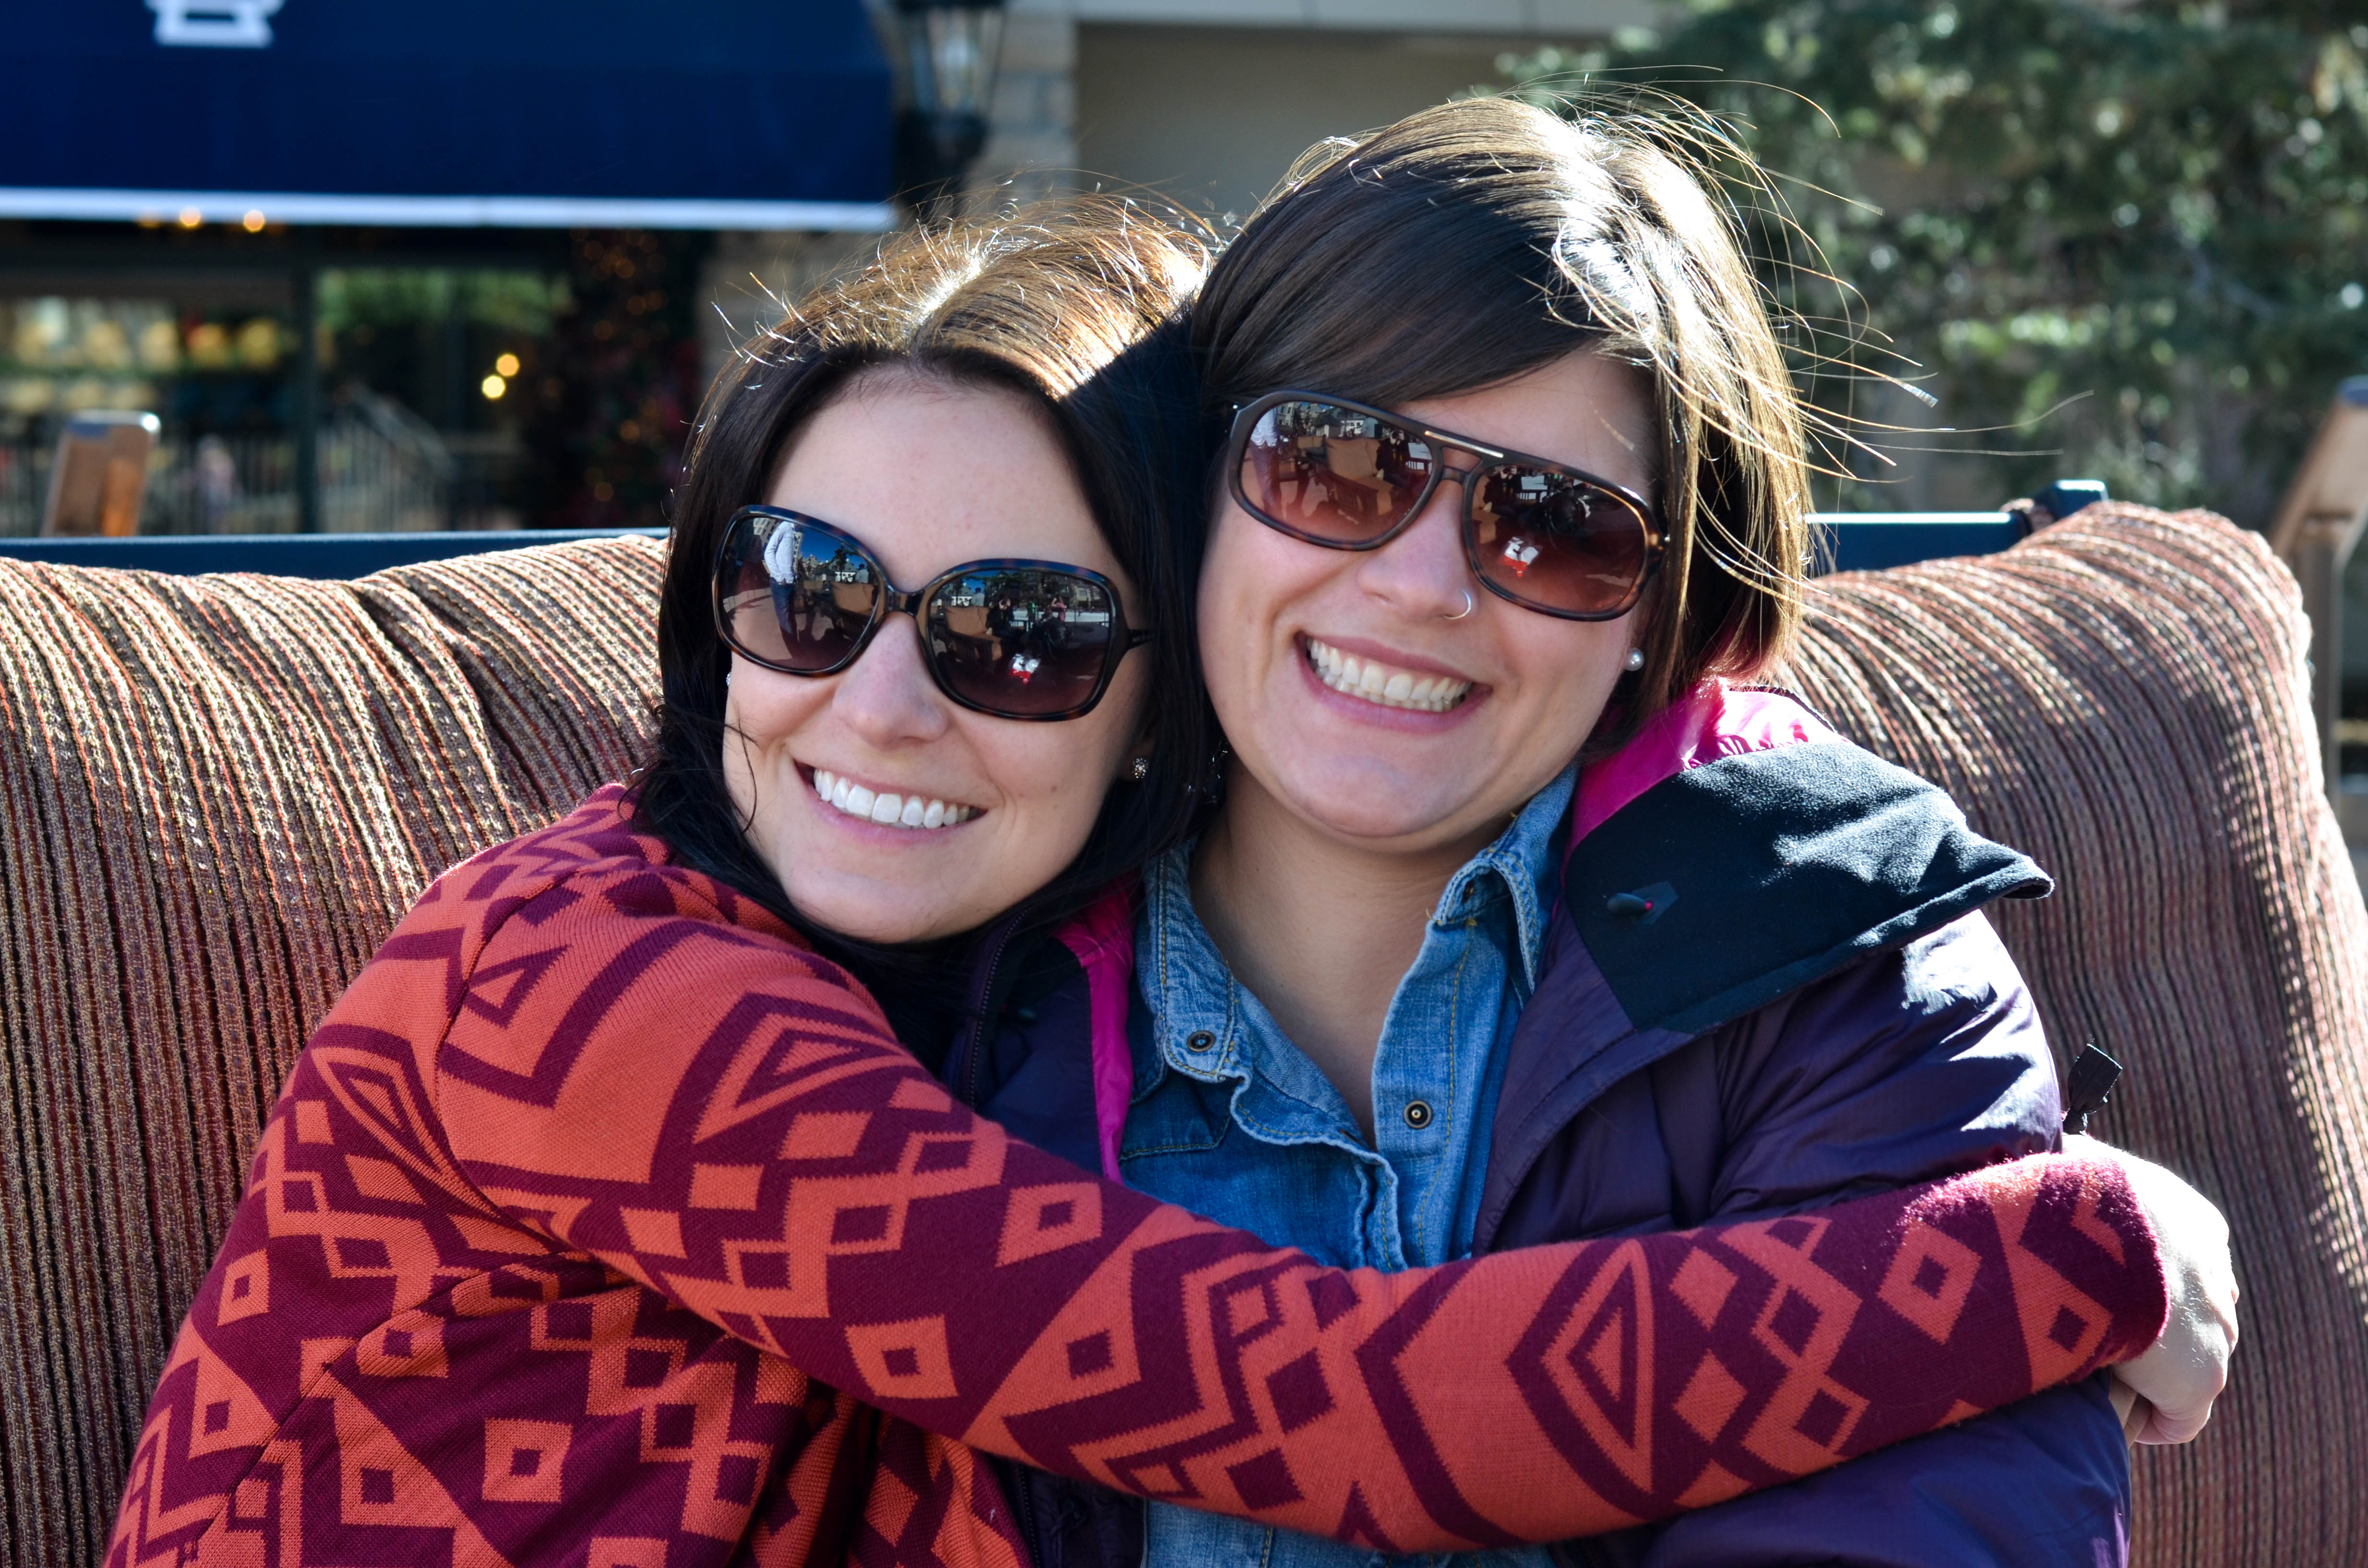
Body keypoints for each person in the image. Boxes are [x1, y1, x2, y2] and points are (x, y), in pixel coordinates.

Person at [105, 205, 2218, 1568]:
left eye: (1018, 634)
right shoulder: (583, 992)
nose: (878, 709)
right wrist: (2074, 1250)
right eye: (807, 590)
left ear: (1158, 700)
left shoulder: (984, 986)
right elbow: (1340, 1402)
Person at [1070, 96, 2223, 1568]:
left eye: (1558, 528)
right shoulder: (966, 952)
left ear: (1659, 611)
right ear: (1198, 483)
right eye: (1338, 464)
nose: (1423, 585)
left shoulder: (1857, 981)